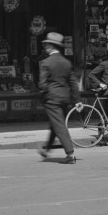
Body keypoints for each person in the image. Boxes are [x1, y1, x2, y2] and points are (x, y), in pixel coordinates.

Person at [36, 30, 77, 163]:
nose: (45, 47)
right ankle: (46, 150)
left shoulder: (46, 63)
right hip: (65, 98)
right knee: (56, 124)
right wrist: (77, 101)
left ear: (50, 46)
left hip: (52, 99)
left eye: (46, 45)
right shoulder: (66, 63)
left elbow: (42, 84)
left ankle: (70, 154)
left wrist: (43, 96)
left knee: (58, 125)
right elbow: (73, 83)